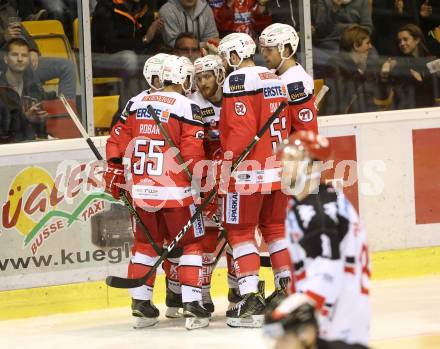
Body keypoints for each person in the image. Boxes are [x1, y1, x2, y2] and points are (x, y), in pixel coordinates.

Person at [104, 54, 211, 330]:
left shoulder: (136, 102)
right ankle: (192, 304)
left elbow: (117, 140)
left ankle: (141, 305)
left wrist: (115, 169)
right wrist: (205, 183)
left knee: (145, 245)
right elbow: (191, 154)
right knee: (191, 244)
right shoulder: (187, 107)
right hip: (176, 192)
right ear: (180, 79)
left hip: (142, 190)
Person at [264, 130, 371, 349]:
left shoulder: (318, 211)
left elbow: (327, 271)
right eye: (284, 158)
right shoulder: (314, 201)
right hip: (337, 314)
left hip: (337, 322)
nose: (283, 164)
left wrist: (293, 306)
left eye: (292, 159)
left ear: (312, 167)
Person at [217, 32, 292, 328]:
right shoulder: (275, 79)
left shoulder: (237, 81)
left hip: (248, 171)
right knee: (274, 229)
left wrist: (226, 164)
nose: (227, 63)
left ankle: (249, 299)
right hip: (278, 168)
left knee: (240, 232)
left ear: (235, 54)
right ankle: (286, 289)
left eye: (227, 57)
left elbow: (240, 130)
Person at [91, 0, 164, 110]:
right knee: (129, 59)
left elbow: (150, 44)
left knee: (156, 60)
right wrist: (144, 39)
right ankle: (129, 107)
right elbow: (112, 45)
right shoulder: (106, 7)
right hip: (102, 58)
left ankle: (152, 106)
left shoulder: (144, 7)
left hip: (135, 58)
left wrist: (155, 34)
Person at [0, 0, 77, 99]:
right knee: (24, 63)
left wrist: (33, 50)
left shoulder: (6, 7)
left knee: (67, 67)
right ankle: (40, 98)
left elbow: (23, 32)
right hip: (5, 64)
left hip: (21, 59)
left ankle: (68, 111)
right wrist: (3, 37)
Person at [259, 23, 318, 133]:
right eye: (263, 49)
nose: (264, 54)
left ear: (286, 50)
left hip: (288, 148)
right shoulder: (274, 72)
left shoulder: (297, 84)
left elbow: (306, 131)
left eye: (269, 49)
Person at [324, 25, 386, 115]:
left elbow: (374, 94)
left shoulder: (363, 64)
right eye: (367, 43)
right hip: (342, 119)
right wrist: (360, 72)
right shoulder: (335, 65)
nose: (370, 47)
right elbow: (342, 98)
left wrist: (383, 76)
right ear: (356, 45)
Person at [0, 36, 48, 143]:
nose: (20, 59)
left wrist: (40, 122)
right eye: (15, 55)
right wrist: (25, 118)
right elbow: (3, 133)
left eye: (24, 55)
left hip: (30, 148)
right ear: (6, 59)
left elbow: (41, 133)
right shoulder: (1, 89)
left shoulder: (35, 89)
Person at [384, 23, 437, 109]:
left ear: (417, 40)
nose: (402, 43)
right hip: (407, 112)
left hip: (429, 112)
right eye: (399, 41)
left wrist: (420, 81)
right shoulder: (398, 64)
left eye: (405, 39)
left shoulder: (431, 61)